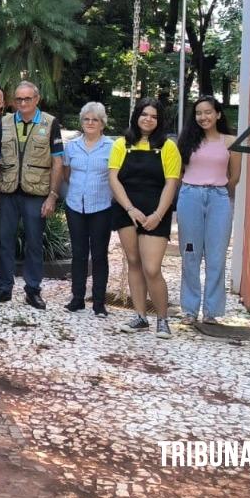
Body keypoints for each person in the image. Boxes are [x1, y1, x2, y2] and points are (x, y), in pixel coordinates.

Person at [109, 97, 181, 339]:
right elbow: (114, 179)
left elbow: (172, 183)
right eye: (144, 114)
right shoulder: (122, 144)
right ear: (136, 116)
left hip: (155, 211)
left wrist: (158, 215)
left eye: (154, 116)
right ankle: (140, 316)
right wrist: (130, 209)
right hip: (127, 210)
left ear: (159, 121)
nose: (148, 119)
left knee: (152, 268)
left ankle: (162, 319)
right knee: (134, 262)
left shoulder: (168, 147)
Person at [0, 81, 63, 309]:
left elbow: (58, 161)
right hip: (7, 191)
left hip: (36, 193)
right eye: (18, 99)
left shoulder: (50, 123)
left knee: (33, 243)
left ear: (36, 99)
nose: (22, 103)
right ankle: (3, 287)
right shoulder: (5, 122)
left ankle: (33, 290)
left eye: (27, 99)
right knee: (4, 241)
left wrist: (52, 196)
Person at [176, 95, 240, 325]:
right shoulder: (186, 141)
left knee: (216, 255)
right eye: (199, 113)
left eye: (208, 112)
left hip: (219, 200)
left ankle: (211, 312)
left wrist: (217, 189)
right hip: (190, 197)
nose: (203, 117)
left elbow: (235, 177)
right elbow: (180, 173)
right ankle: (190, 310)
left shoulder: (231, 141)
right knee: (190, 254)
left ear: (218, 114)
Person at [61, 102, 114, 316]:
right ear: (81, 122)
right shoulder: (72, 146)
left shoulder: (111, 147)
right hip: (75, 205)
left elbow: (116, 176)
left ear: (102, 124)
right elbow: (66, 173)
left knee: (100, 255)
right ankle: (77, 298)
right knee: (79, 254)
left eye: (95, 120)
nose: (90, 123)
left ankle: (99, 302)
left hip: (102, 206)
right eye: (86, 119)